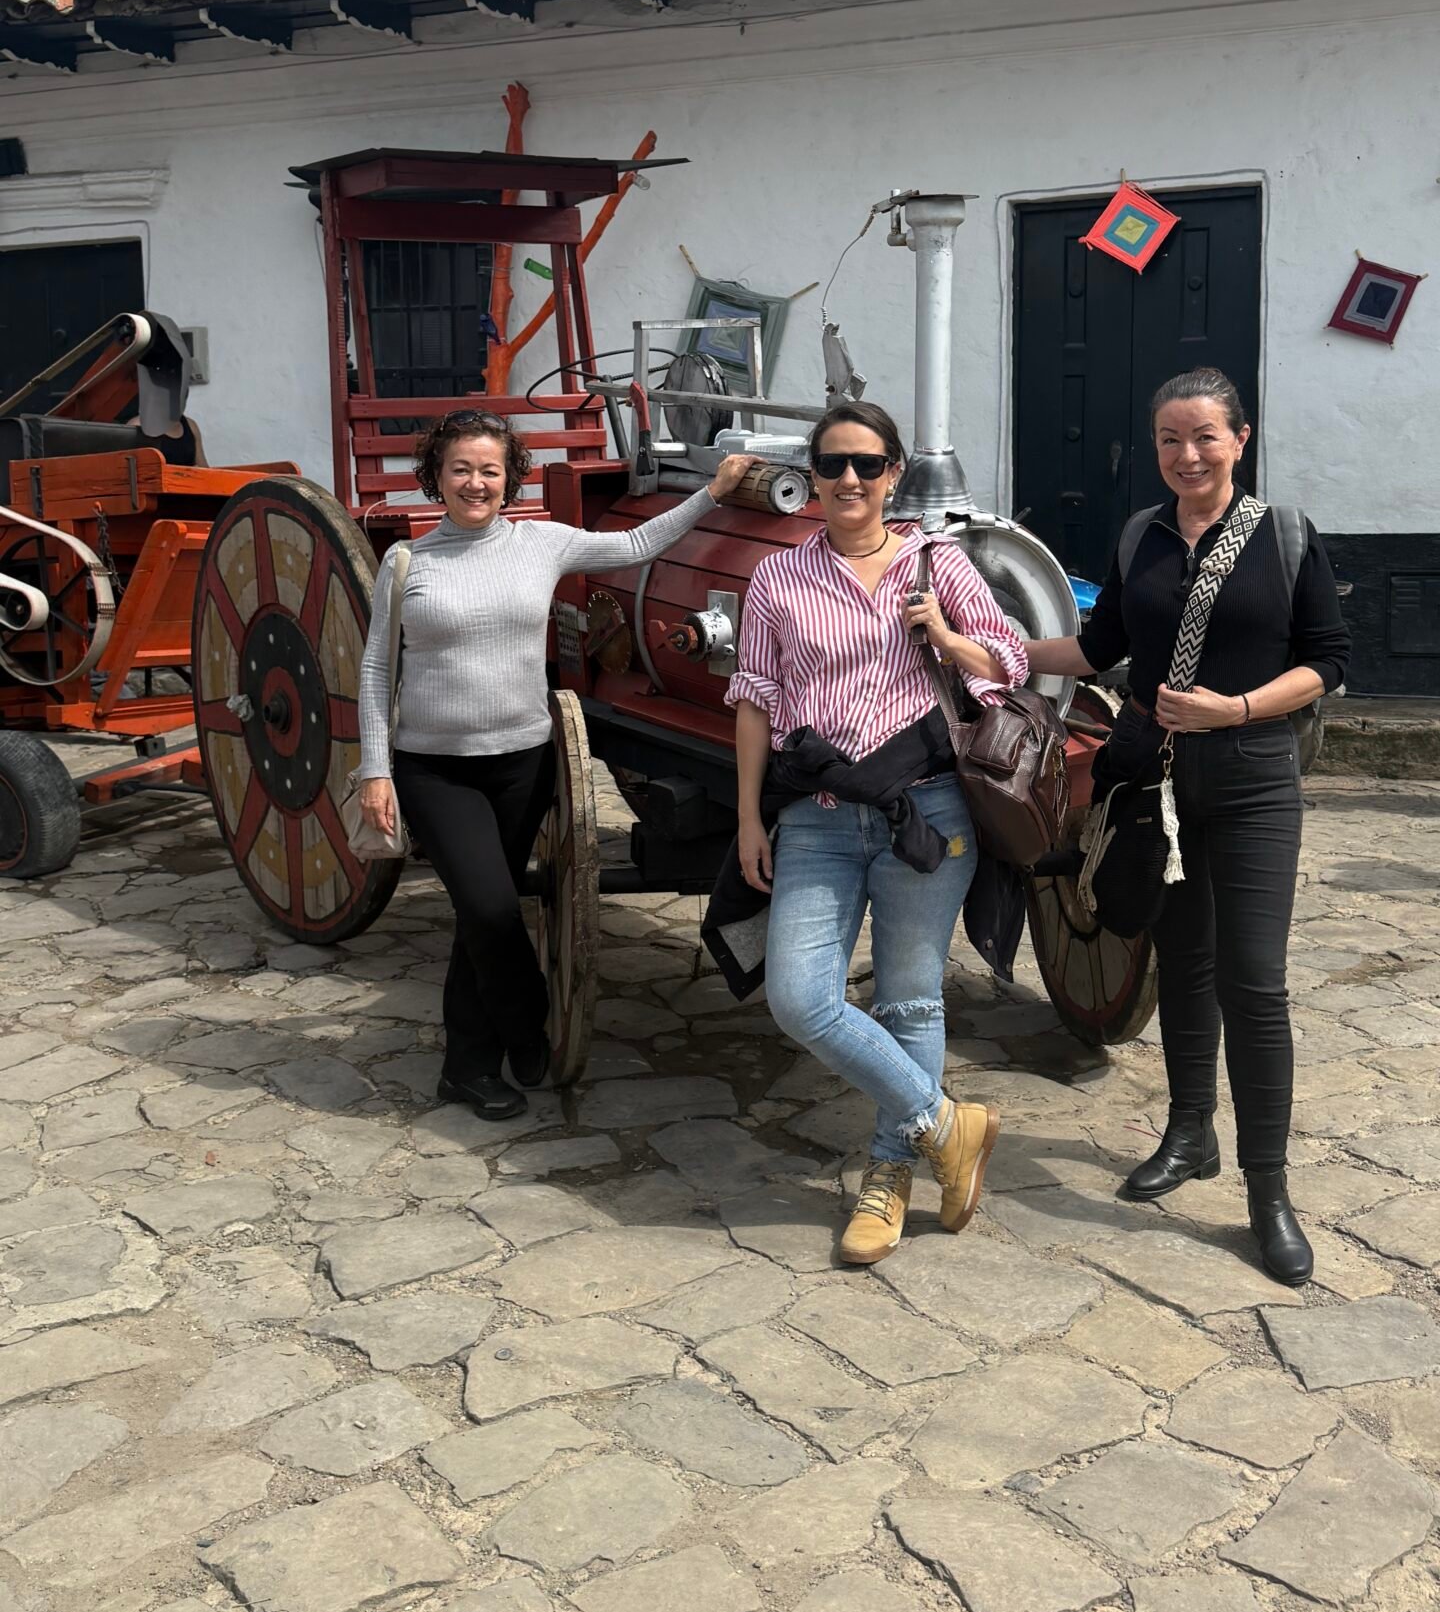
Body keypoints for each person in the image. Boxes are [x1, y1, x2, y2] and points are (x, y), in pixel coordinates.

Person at [1026, 368, 1350, 1285]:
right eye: (1170, 438)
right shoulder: (1142, 537)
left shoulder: (1285, 535)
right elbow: (1099, 649)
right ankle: (1188, 1132)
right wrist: (986, 647)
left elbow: (1329, 660)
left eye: (1205, 435)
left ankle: (1267, 1192)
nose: (1188, 454)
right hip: (1156, 785)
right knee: (1186, 965)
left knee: (1255, 983)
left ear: (1240, 439)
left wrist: (1239, 709)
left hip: (1252, 781)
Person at [358, 409, 756, 1119]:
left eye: (490, 469)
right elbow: (375, 668)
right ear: (436, 479)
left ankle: (468, 1069)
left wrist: (714, 494)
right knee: (487, 906)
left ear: (510, 477)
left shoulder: (541, 543)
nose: (476, 482)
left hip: (522, 763)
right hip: (435, 768)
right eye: (461, 469)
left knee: (483, 921)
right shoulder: (407, 562)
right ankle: (525, 1014)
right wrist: (375, 771)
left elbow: (636, 541)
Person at [729, 400, 1029, 1266]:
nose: (850, 480)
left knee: (909, 999)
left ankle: (891, 1174)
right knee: (800, 998)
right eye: (832, 465)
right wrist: (749, 816)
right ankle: (946, 1125)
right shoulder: (778, 579)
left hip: (926, 813)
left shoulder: (939, 565)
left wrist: (944, 634)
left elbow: (1009, 658)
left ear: (894, 472)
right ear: (812, 475)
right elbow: (752, 702)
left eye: (868, 464)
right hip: (817, 818)